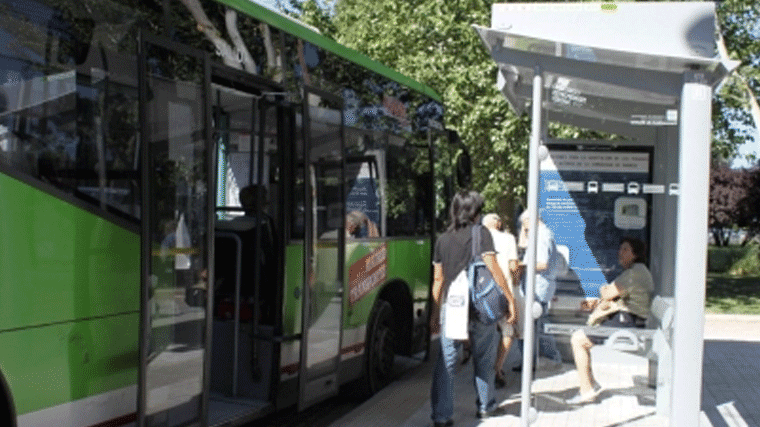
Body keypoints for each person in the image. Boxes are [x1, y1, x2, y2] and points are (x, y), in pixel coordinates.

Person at [430, 191, 517, 426]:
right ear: (474, 212)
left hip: (452, 307)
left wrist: (435, 313)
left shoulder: (443, 239)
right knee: (484, 358)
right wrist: (509, 299)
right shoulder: (482, 234)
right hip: (480, 307)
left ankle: (441, 415)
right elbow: (494, 269)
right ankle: (485, 407)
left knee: (447, 361)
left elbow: (438, 281)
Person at [566, 236, 654, 405]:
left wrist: (604, 290)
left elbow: (607, 293)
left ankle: (587, 390)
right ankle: (591, 384)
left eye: (625, 249)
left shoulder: (633, 274)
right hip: (631, 319)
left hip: (628, 322)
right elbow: (612, 295)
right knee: (580, 338)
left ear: (635, 254)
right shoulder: (637, 271)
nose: (620, 252)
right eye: (620, 248)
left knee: (578, 339)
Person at [516, 210, 562, 370]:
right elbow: (522, 244)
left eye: (525, 223)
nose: (524, 228)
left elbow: (542, 264)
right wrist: (524, 227)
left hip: (538, 287)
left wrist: (521, 266)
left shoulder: (542, 236)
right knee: (536, 325)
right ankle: (533, 361)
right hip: (537, 286)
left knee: (539, 325)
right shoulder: (539, 234)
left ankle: (550, 358)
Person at [481, 213, 521, 388]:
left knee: (484, 331)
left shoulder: (478, 238)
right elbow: (513, 266)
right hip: (504, 291)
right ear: (497, 223)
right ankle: (497, 368)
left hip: (482, 292)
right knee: (508, 330)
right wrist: (517, 280)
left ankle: (483, 370)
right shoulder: (508, 238)